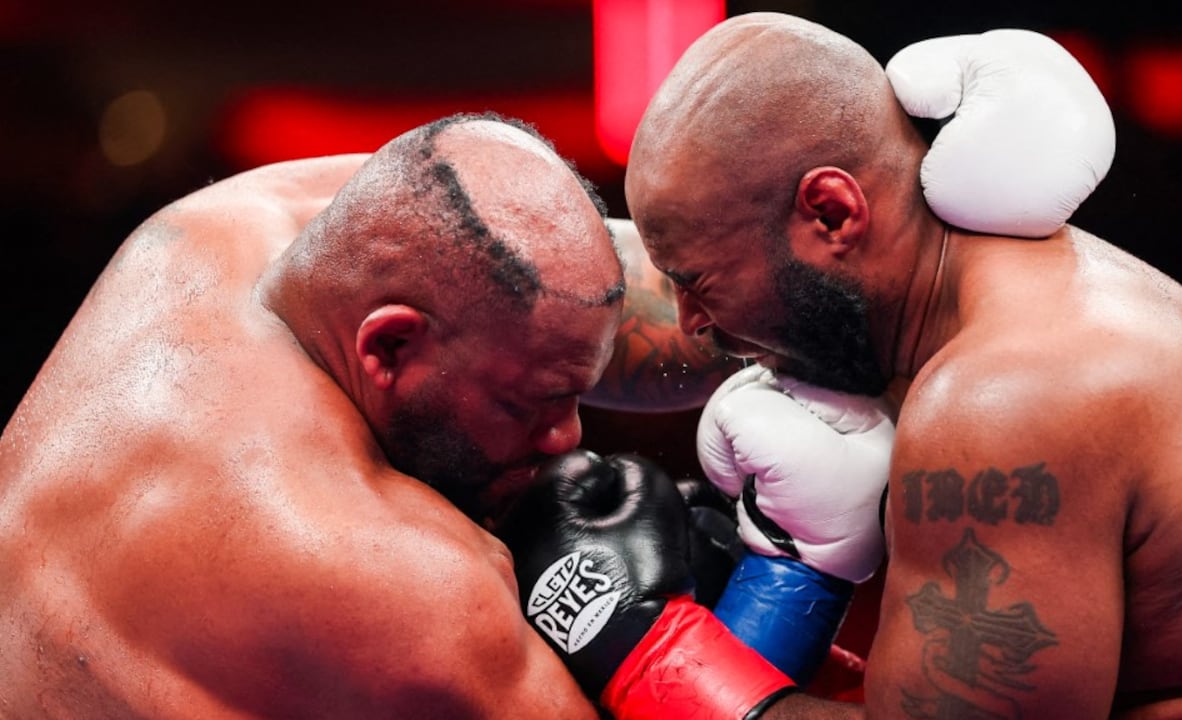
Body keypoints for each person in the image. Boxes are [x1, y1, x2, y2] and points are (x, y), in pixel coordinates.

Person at [506, 11, 1182, 720]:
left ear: (833, 214)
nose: (691, 325)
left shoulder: (1004, 401)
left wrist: (647, 650)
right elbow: (609, 299)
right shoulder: (999, 288)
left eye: (698, 286)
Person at [0, 112, 698, 718]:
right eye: (529, 404)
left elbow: (610, 290)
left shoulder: (226, 226)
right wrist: (642, 638)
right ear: (389, 347)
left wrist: (800, 329)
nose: (569, 436)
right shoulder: (387, 576)